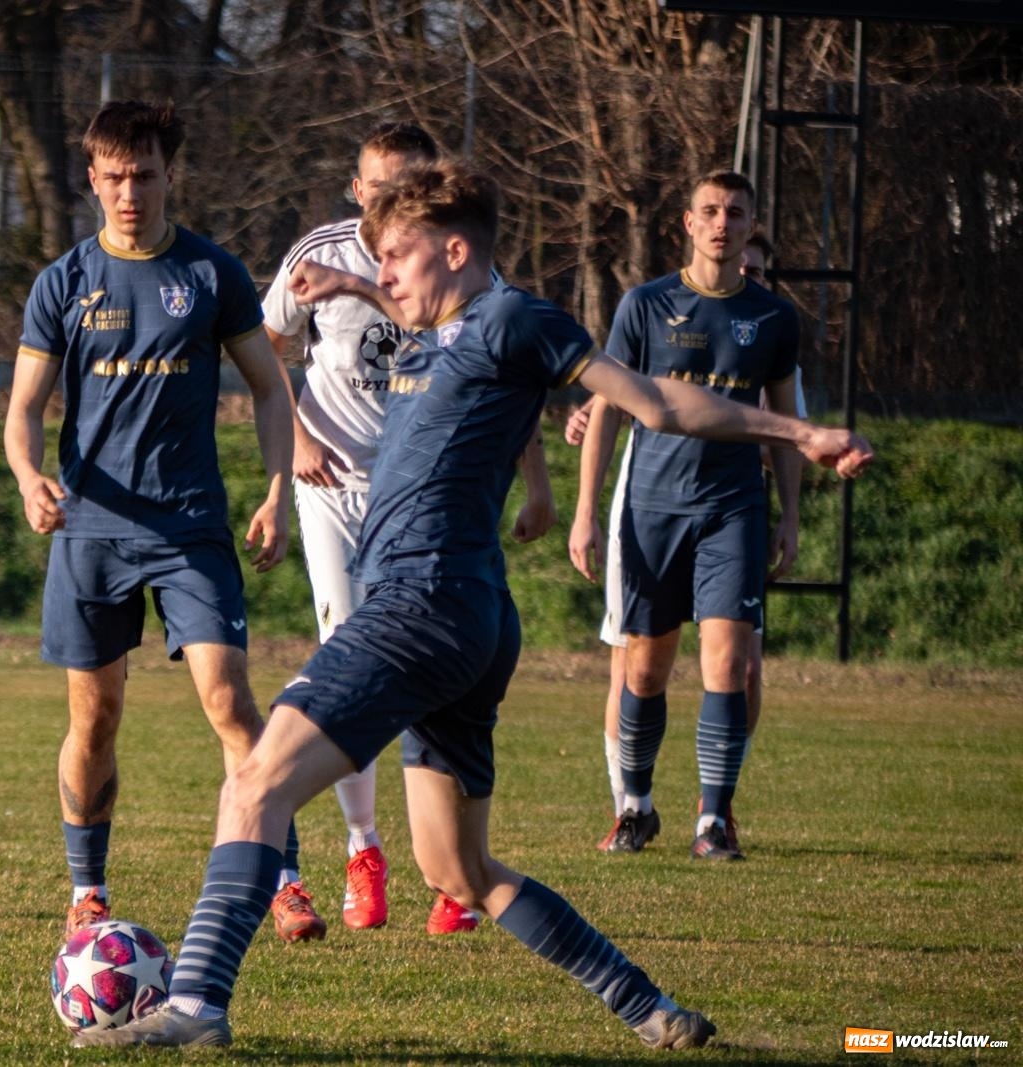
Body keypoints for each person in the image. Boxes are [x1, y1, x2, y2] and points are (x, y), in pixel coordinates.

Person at [73, 160, 871, 1050]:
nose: (385, 277)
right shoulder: (445, 326)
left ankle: (195, 1005)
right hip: (469, 618)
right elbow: (423, 319)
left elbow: (654, 400)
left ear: (455, 251)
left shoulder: (517, 319)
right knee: (459, 867)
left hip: (420, 602)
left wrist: (799, 431)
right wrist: (350, 282)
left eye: (398, 259)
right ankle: (650, 1008)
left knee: (255, 779)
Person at [3, 100, 300, 936]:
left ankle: (281, 874)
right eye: (114, 177)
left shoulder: (213, 274)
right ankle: (86, 889)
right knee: (93, 717)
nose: (129, 191)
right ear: (92, 180)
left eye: (144, 174)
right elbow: (23, 409)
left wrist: (277, 489)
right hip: (90, 530)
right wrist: (30, 476)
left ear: (171, 176)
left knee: (229, 700)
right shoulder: (62, 282)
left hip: (191, 527)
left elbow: (272, 388)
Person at [259, 122, 554, 938]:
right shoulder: (319, 253)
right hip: (332, 483)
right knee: (344, 645)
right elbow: (262, 350)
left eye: (410, 183)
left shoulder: (454, 272)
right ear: (358, 190)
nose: (392, 199)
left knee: (425, 665)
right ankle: (363, 848)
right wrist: (298, 441)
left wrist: (538, 486)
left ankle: (449, 861)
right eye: (379, 185)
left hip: (422, 501)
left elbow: (503, 381)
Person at [567, 175, 805, 862]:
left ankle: (714, 818)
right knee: (644, 669)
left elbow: (786, 424)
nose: (721, 223)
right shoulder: (647, 305)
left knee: (728, 662)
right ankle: (635, 807)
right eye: (709, 212)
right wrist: (587, 511)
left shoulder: (774, 317)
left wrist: (789, 515)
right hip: (651, 508)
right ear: (688, 224)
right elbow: (609, 404)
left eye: (735, 212)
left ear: (751, 223)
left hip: (732, 508)